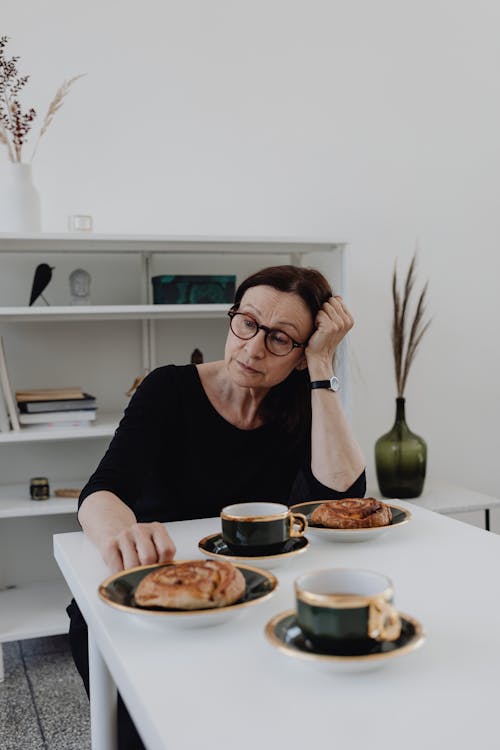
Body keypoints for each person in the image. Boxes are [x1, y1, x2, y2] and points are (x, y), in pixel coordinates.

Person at [67, 264, 366, 749]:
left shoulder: (303, 402)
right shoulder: (168, 389)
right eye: (246, 322)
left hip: (258, 598)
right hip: (161, 591)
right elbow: (103, 490)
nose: (251, 347)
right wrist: (119, 535)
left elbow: (338, 503)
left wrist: (323, 370)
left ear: (300, 356)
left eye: (280, 339)